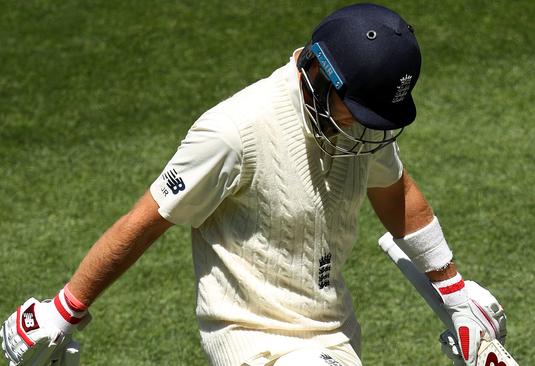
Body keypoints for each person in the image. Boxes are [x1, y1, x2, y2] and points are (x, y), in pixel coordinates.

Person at [1, 3, 508, 366]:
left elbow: (397, 193)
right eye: (357, 114)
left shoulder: (353, 125)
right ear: (319, 74)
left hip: (332, 334)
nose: (363, 130)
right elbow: (148, 219)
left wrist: (456, 293)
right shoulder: (232, 132)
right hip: (253, 339)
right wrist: (65, 309)